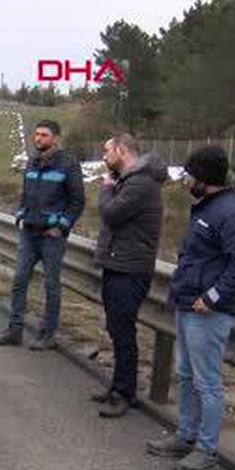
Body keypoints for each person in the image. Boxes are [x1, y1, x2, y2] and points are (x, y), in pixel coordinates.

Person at [147, 146, 235, 470]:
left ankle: (206, 449)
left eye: (191, 175)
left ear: (205, 178)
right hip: (187, 303)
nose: (186, 181)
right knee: (186, 375)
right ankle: (185, 435)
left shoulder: (231, 214)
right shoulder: (207, 209)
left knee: (207, 382)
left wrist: (212, 296)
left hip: (207, 311)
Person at [0, 119, 86, 350]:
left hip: (52, 236)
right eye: (36, 135)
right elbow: (25, 192)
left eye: (44, 135)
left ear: (55, 138)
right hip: (29, 232)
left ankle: (48, 334)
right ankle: (15, 330)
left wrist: (61, 226)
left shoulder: (68, 164)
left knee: (51, 285)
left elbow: (77, 200)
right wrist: (21, 214)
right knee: (19, 280)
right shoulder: (33, 162)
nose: (38, 139)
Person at [91, 134, 167, 418]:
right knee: (116, 328)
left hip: (130, 268)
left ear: (122, 151)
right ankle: (118, 385)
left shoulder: (141, 184)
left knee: (123, 332)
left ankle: (125, 393)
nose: (104, 156)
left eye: (107, 151)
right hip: (118, 264)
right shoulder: (130, 181)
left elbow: (111, 214)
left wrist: (106, 189)